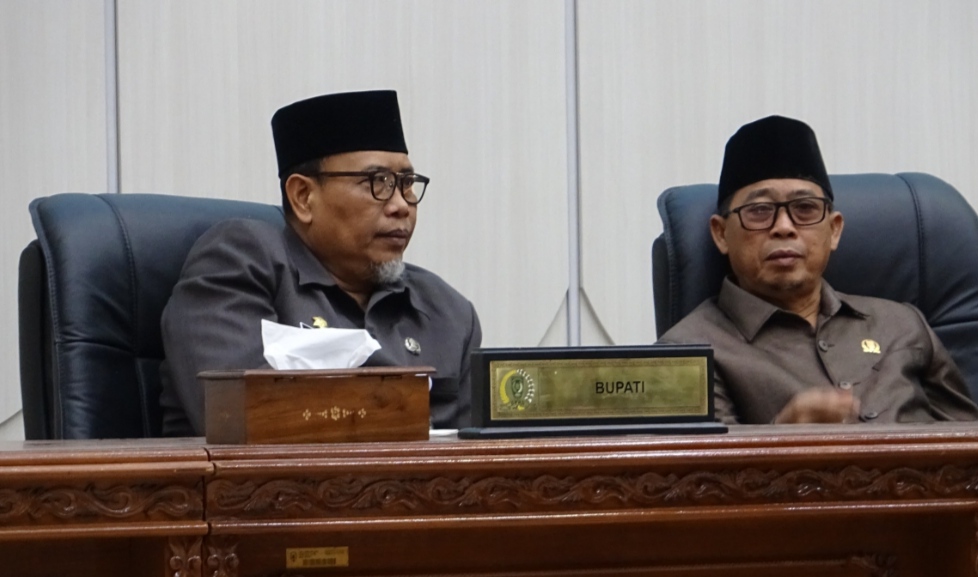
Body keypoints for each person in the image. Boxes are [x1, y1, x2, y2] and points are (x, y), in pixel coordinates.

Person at [159, 90, 481, 436]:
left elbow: (477, 452)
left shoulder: (447, 312)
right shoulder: (239, 262)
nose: (401, 205)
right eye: (378, 183)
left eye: (406, 184)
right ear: (303, 197)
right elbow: (246, 420)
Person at [657, 115, 978, 425]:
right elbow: (703, 464)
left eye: (805, 209)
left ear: (834, 229)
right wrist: (783, 440)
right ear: (721, 234)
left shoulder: (902, 322)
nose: (784, 227)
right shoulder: (684, 355)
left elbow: (967, 440)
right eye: (759, 211)